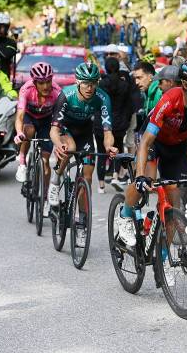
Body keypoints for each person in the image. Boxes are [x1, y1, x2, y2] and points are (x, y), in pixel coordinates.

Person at [116, 58, 187, 247]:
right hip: (153, 141)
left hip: (177, 146)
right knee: (146, 183)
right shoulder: (170, 100)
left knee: (174, 201)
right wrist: (140, 175)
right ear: (185, 84)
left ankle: (164, 256)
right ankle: (125, 216)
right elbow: (146, 141)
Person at [48, 63, 117, 246]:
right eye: (86, 83)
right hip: (65, 128)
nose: (90, 87)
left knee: (87, 177)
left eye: (94, 83)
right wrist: (58, 144)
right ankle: (55, 181)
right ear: (78, 82)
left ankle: (82, 225)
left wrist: (110, 147)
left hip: (85, 131)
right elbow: (53, 130)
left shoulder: (102, 97)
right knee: (69, 147)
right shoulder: (67, 95)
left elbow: (108, 131)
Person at [14, 62, 62, 213]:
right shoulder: (26, 90)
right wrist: (18, 132)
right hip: (30, 118)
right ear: (34, 82)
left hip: (47, 121)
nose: (46, 86)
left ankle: (46, 197)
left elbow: (61, 117)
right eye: (41, 83)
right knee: (28, 130)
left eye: (48, 81)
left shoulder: (57, 92)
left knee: (45, 163)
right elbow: (20, 116)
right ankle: (22, 162)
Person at [94, 57, 138, 193]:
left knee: (101, 153)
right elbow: (129, 105)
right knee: (117, 149)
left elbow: (96, 104)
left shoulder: (101, 85)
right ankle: (114, 176)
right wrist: (125, 121)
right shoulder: (124, 85)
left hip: (101, 123)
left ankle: (101, 185)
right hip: (119, 124)